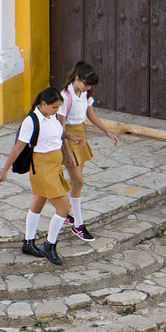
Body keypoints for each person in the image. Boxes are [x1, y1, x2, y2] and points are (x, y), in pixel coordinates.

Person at [0, 87, 84, 266]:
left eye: (58, 108)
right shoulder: (31, 121)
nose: (56, 111)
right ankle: (49, 245)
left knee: (37, 204)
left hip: (54, 167)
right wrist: (5, 169)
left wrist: (72, 137)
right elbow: (18, 147)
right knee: (64, 208)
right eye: (53, 108)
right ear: (43, 104)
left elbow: (58, 133)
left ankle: (28, 243)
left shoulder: (50, 117)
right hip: (43, 169)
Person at [57, 61, 118, 241]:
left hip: (80, 136)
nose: (88, 88)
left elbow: (90, 114)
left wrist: (107, 131)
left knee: (75, 182)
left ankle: (65, 211)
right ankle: (78, 224)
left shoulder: (84, 93)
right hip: (68, 138)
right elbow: (60, 128)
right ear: (77, 79)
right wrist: (67, 153)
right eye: (86, 84)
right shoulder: (64, 96)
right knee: (79, 181)